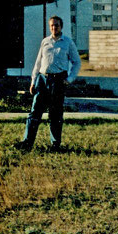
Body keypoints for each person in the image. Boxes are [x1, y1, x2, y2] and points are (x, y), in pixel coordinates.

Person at [16, 15, 81, 151]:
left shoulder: (68, 42)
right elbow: (38, 62)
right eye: (51, 25)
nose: (54, 28)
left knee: (55, 114)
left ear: (61, 26)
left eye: (56, 25)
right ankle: (27, 143)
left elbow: (77, 62)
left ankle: (55, 145)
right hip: (43, 79)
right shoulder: (45, 41)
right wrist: (33, 81)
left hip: (58, 81)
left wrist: (69, 79)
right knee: (34, 112)